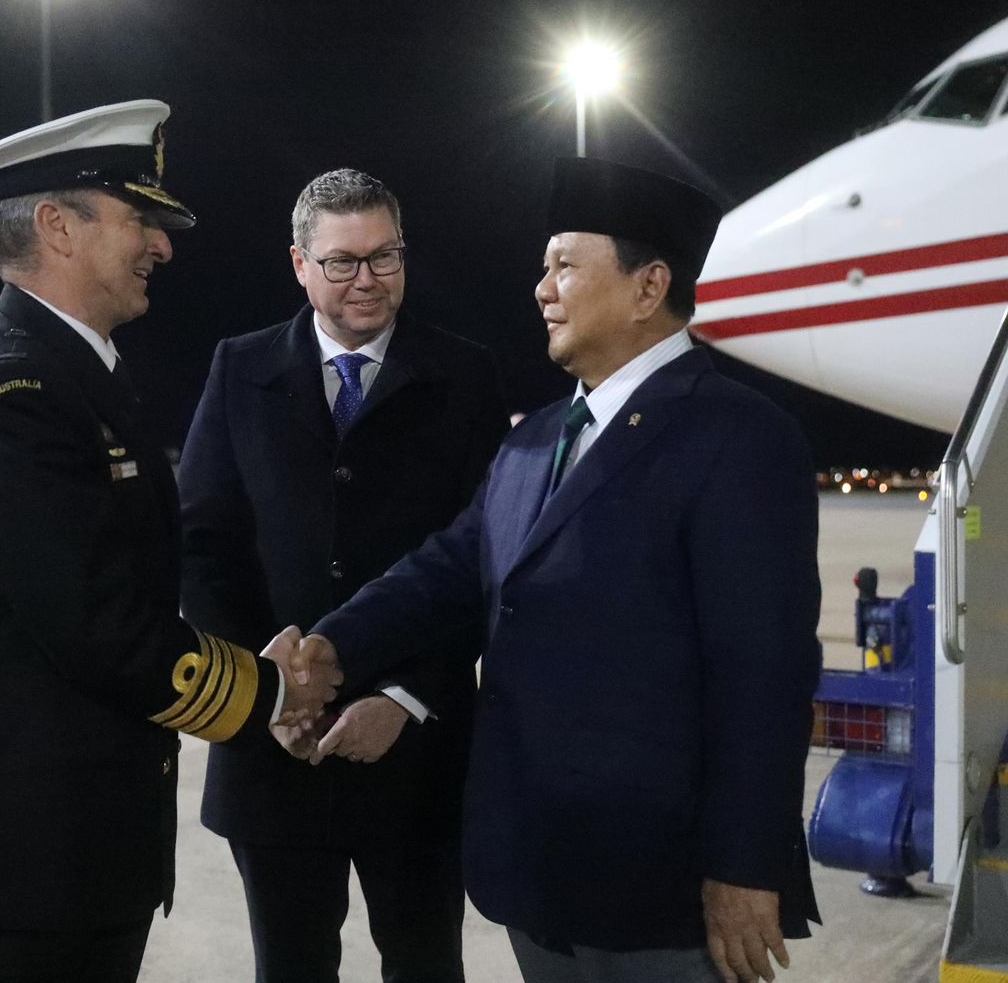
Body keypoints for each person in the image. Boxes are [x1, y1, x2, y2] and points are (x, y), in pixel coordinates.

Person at [294, 156, 823, 983]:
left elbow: (764, 675)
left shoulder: (737, 440)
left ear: (650, 287)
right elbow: (448, 568)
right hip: (540, 874)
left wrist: (745, 867)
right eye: (543, 268)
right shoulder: (538, 436)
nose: (541, 289)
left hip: (664, 890)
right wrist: (333, 647)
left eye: (565, 267)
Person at [0, 100, 338, 983]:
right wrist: (273, 689)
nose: (162, 247)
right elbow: (102, 630)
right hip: (15, 874)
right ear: (57, 227)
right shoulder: (11, 395)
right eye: (140, 219)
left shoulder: (70, 375)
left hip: (66, 857)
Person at [178, 168, 508, 982]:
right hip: (276, 750)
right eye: (342, 261)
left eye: (384, 256)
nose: (367, 279)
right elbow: (204, 545)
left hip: (416, 748)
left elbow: (484, 562)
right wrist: (268, 689)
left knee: (427, 965)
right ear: (300, 264)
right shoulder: (240, 369)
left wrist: (403, 697)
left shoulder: (465, 376)